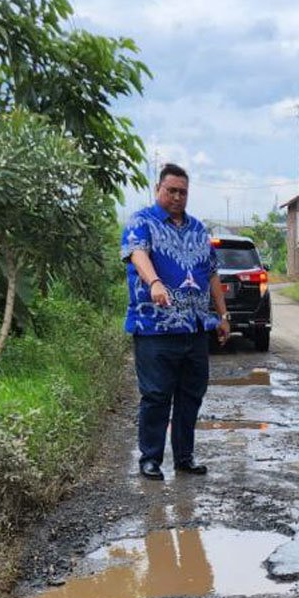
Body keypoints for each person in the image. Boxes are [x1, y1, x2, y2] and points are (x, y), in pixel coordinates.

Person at [120, 164, 232, 481]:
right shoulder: (142, 222)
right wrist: (154, 282)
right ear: (159, 189)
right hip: (154, 328)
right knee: (156, 395)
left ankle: (184, 457)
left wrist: (222, 316)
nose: (177, 197)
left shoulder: (199, 229)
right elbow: (137, 254)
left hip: (194, 328)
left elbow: (211, 273)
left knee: (191, 395)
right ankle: (150, 459)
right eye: (171, 190)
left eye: (183, 192)